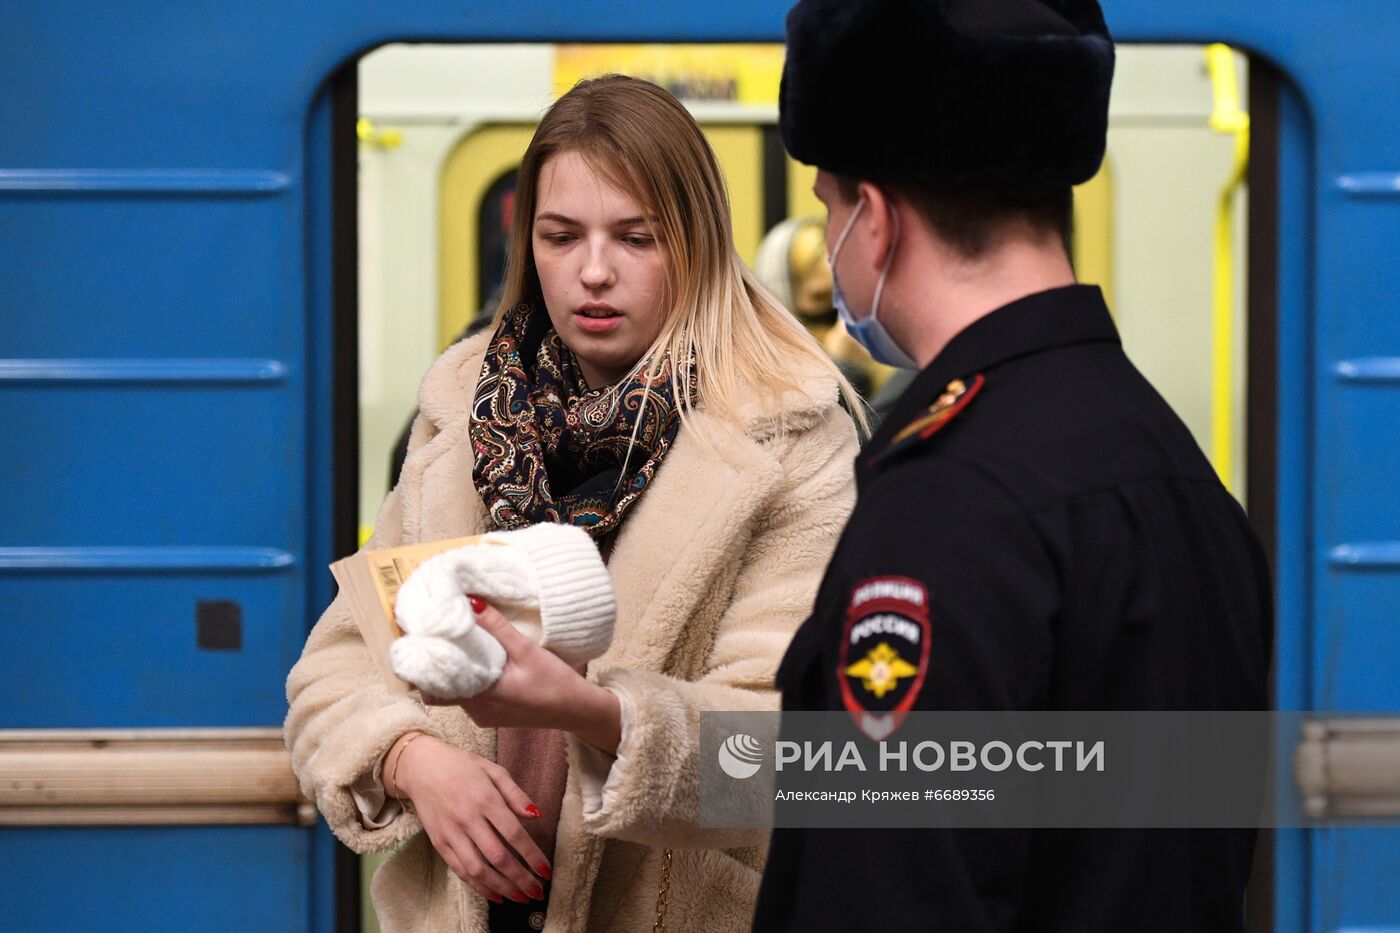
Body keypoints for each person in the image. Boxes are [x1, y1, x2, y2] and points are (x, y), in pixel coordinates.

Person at [285, 75, 863, 932]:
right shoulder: (462, 415)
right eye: (561, 236)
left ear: (699, 244)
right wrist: (411, 762)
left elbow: (787, 758)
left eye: (637, 238)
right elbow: (332, 672)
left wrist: (585, 711)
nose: (594, 271)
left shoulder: (792, 438)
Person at [753, 1, 1273, 931]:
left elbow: (888, 892)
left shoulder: (948, 501)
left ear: (875, 218)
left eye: (829, 204)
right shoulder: (1177, 470)